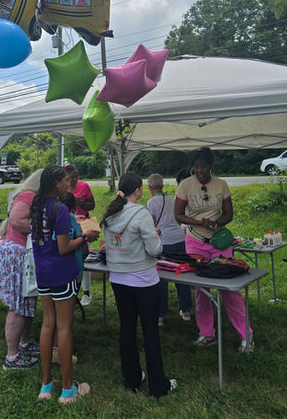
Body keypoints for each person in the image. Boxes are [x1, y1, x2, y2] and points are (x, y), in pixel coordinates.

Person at [102, 173, 177, 398]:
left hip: (118, 279)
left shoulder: (111, 213)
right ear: (137, 190)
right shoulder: (141, 213)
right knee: (150, 331)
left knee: (127, 329)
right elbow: (154, 250)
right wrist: (157, 237)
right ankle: (158, 386)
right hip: (143, 280)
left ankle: (132, 380)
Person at [30, 165, 99, 404]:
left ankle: (46, 386)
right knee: (64, 328)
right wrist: (85, 237)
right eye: (65, 180)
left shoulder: (36, 206)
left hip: (43, 275)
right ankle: (68, 391)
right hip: (61, 274)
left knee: (47, 325)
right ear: (55, 184)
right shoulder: (59, 209)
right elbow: (64, 248)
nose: (69, 183)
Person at [174, 147, 253, 352]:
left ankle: (246, 335)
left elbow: (229, 214)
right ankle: (207, 333)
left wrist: (216, 223)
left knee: (230, 289)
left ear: (211, 166)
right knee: (201, 290)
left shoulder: (221, 185)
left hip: (219, 241)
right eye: (196, 167)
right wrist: (200, 222)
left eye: (203, 167)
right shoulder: (185, 185)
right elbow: (178, 215)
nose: (199, 171)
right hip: (195, 241)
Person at [0, 169, 42, 370]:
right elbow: (16, 220)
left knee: (27, 303)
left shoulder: (31, 196)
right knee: (18, 306)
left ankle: (24, 343)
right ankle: (12, 357)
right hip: (17, 254)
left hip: (22, 253)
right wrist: (42, 226)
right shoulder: (28, 195)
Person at [147, 173, 192, 325]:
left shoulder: (152, 202)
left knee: (160, 277)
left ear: (150, 187)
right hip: (179, 238)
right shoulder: (172, 199)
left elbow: (151, 224)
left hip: (163, 240)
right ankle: (186, 309)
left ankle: (160, 313)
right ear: (162, 185)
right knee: (182, 273)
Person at [65, 164, 96, 306]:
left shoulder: (84, 186)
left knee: (84, 256)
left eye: (76, 177)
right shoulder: (61, 187)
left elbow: (92, 205)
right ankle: (70, 290)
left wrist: (81, 203)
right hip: (67, 226)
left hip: (84, 226)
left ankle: (86, 292)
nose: (74, 180)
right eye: (71, 177)